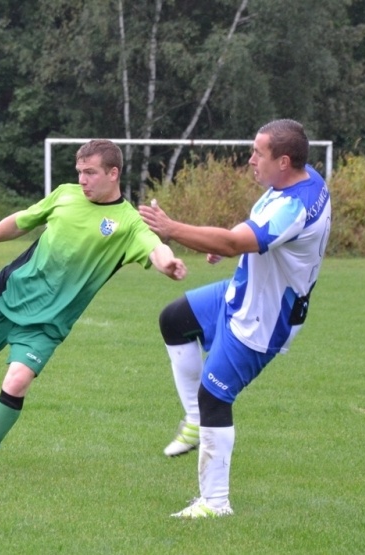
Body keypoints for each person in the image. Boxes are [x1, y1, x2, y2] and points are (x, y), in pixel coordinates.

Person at [0, 139, 187, 479]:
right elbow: (22, 221)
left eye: (90, 173)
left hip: (48, 324)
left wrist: (168, 264)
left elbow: (155, 248)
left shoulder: (129, 223)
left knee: (16, 381)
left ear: (113, 173)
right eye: (79, 172)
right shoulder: (64, 194)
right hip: (6, 292)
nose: (83, 180)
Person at [138, 119, 331, 518]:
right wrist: (228, 246)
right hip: (241, 293)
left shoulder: (292, 206)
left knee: (215, 396)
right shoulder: (300, 180)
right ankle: (194, 422)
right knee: (175, 319)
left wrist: (174, 229)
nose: (250, 160)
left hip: (266, 317)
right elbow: (246, 237)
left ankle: (215, 503)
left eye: (257, 153)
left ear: (283, 160)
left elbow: (239, 239)